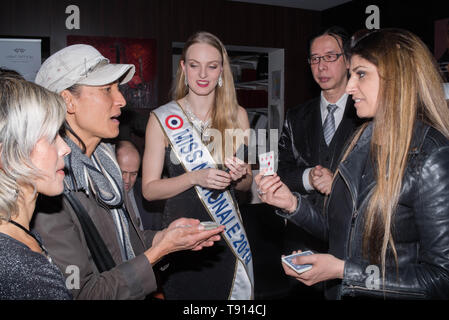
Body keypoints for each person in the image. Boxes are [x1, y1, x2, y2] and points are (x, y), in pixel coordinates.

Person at [255, 28, 449, 299]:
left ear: (396, 79)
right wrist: (293, 204)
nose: (349, 86)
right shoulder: (360, 139)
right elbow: (342, 230)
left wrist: (344, 271)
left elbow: (440, 279)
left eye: (361, 74)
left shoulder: (432, 155)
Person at [32, 44, 225, 300]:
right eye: (106, 90)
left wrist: (165, 238)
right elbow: (84, 294)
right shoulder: (53, 187)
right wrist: (159, 251)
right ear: (68, 101)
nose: (121, 100)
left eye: (117, 89)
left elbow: (120, 247)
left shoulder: (106, 165)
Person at [142, 31, 254, 299]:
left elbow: (248, 185)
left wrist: (240, 176)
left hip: (226, 236)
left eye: (212, 66)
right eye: (194, 65)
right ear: (183, 68)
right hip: (180, 237)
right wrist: (194, 177)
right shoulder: (161, 119)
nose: (203, 74)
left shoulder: (238, 116)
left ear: (222, 70)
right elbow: (149, 189)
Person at [278, 26, 365, 297]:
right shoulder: (295, 116)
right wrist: (309, 178)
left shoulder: (367, 113)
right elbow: (282, 171)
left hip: (352, 241)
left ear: (348, 61)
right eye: (315, 59)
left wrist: (337, 183)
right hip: (302, 237)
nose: (321, 66)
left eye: (330, 57)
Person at [0, 76, 72, 299]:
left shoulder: (17, 238)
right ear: (10, 153)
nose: (65, 148)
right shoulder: (25, 273)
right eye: (52, 137)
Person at [116, 140, 163, 230]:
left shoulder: (149, 196)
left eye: (133, 174)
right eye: (123, 173)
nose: (127, 180)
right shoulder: (100, 197)